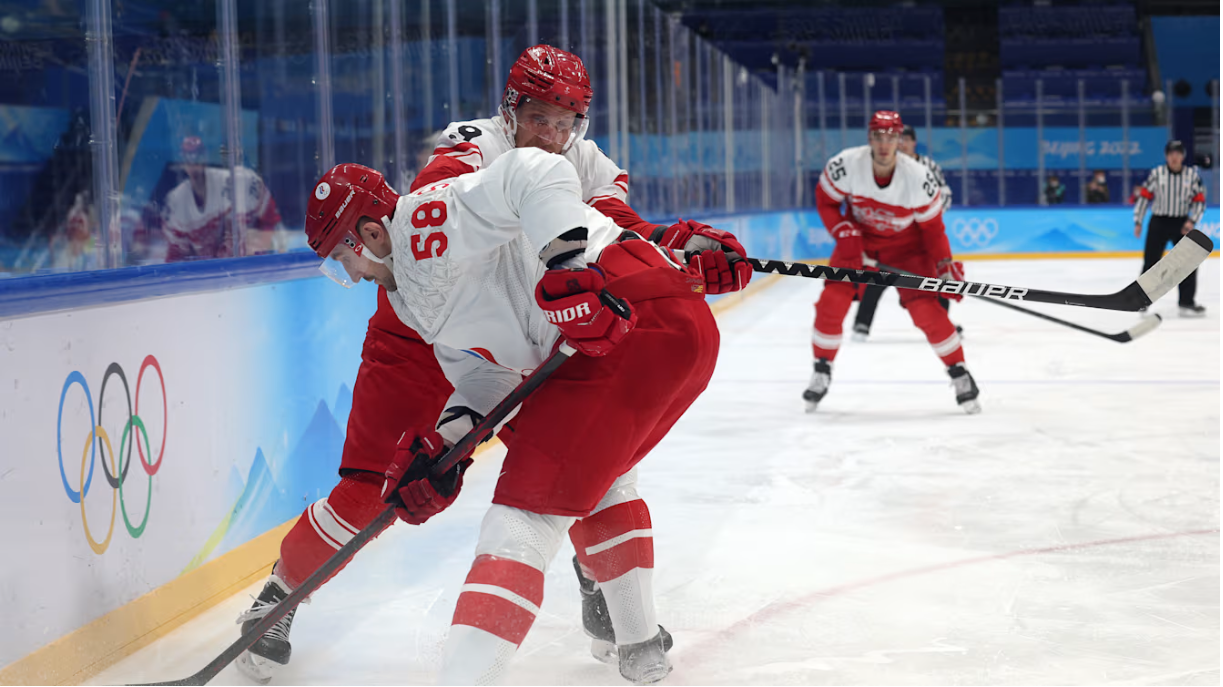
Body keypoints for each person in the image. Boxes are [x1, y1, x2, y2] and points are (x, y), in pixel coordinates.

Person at [234, 44, 750, 684]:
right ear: (511, 110)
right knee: (375, 485)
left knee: (578, 464)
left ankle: (602, 591)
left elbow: (609, 226)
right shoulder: (469, 151)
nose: (553, 135)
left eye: (567, 123)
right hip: (420, 331)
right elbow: (428, 230)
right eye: (540, 118)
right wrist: (447, 443)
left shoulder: (581, 160)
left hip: (528, 319)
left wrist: (674, 246)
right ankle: (277, 599)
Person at [805, 110, 981, 414]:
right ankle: (822, 368)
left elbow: (933, 228)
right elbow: (826, 200)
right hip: (858, 243)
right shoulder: (847, 164)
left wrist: (944, 266)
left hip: (908, 250)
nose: (884, 144)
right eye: (878, 136)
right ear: (869, 138)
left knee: (928, 312)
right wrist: (843, 232)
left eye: (891, 137)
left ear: (899, 140)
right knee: (831, 303)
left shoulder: (918, 177)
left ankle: (960, 373)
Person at [850, 124, 957, 342]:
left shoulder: (928, 167)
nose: (902, 144)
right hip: (892, 234)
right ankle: (862, 323)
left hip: (921, 237)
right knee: (878, 277)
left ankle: (942, 322)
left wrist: (927, 215)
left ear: (914, 142)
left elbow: (944, 194)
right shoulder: (883, 166)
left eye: (906, 140)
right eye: (899, 140)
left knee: (934, 279)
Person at [161, 136, 286, 261]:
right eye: (187, 157)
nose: (193, 162)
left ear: (205, 156)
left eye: (197, 155)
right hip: (215, 276)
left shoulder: (241, 181)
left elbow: (273, 223)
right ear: (181, 160)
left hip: (253, 271)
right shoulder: (175, 202)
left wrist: (262, 247)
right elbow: (175, 257)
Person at [1133, 140, 1208, 317]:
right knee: (1151, 263)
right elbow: (1144, 198)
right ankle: (1142, 301)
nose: (1174, 157)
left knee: (1188, 263)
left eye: (1178, 153)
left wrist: (1191, 221)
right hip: (1159, 222)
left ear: (1183, 156)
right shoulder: (1157, 174)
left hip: (1182, 224)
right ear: (1166, 156)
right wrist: (1138, 221)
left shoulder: (1191, 175)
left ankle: (1186, 302)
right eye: (1171, 154)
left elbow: (1199, 202)